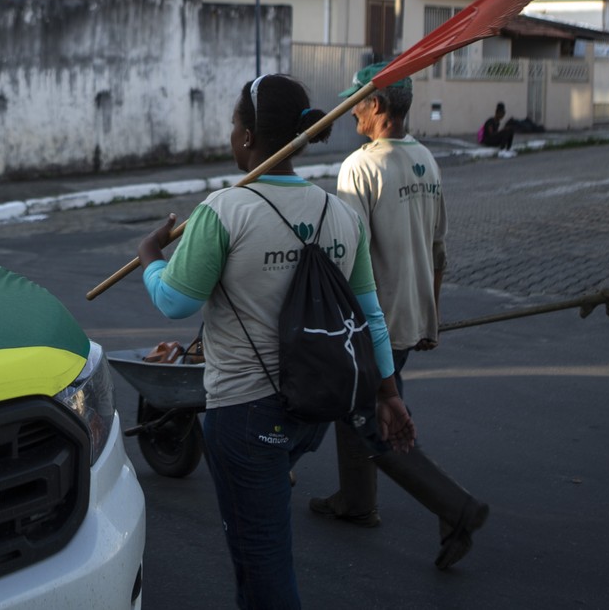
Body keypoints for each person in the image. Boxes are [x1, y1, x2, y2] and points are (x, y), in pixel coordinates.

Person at [136, 73, 415, 610]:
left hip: (245, 415)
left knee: (262, 565)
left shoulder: (223, 212)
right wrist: (388, 393)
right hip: (313, 408)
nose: (231, 133)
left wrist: (151, 258)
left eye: (233, 123)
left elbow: (175, 302)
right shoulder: (341, 213)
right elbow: (371, 315)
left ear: (247, 137)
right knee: (256, 557)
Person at [309, 62, 490, 571]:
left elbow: (349, 256)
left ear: (379, 108)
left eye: (358, 104)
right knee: (360, 408)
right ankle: (356, 501)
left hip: (372, 322)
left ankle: (457, 508)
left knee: (374, 420)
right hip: (410, 318)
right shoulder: (426, 160)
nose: (352, 114)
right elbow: (438, 250)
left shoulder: (360, 167)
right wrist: (429, 319)